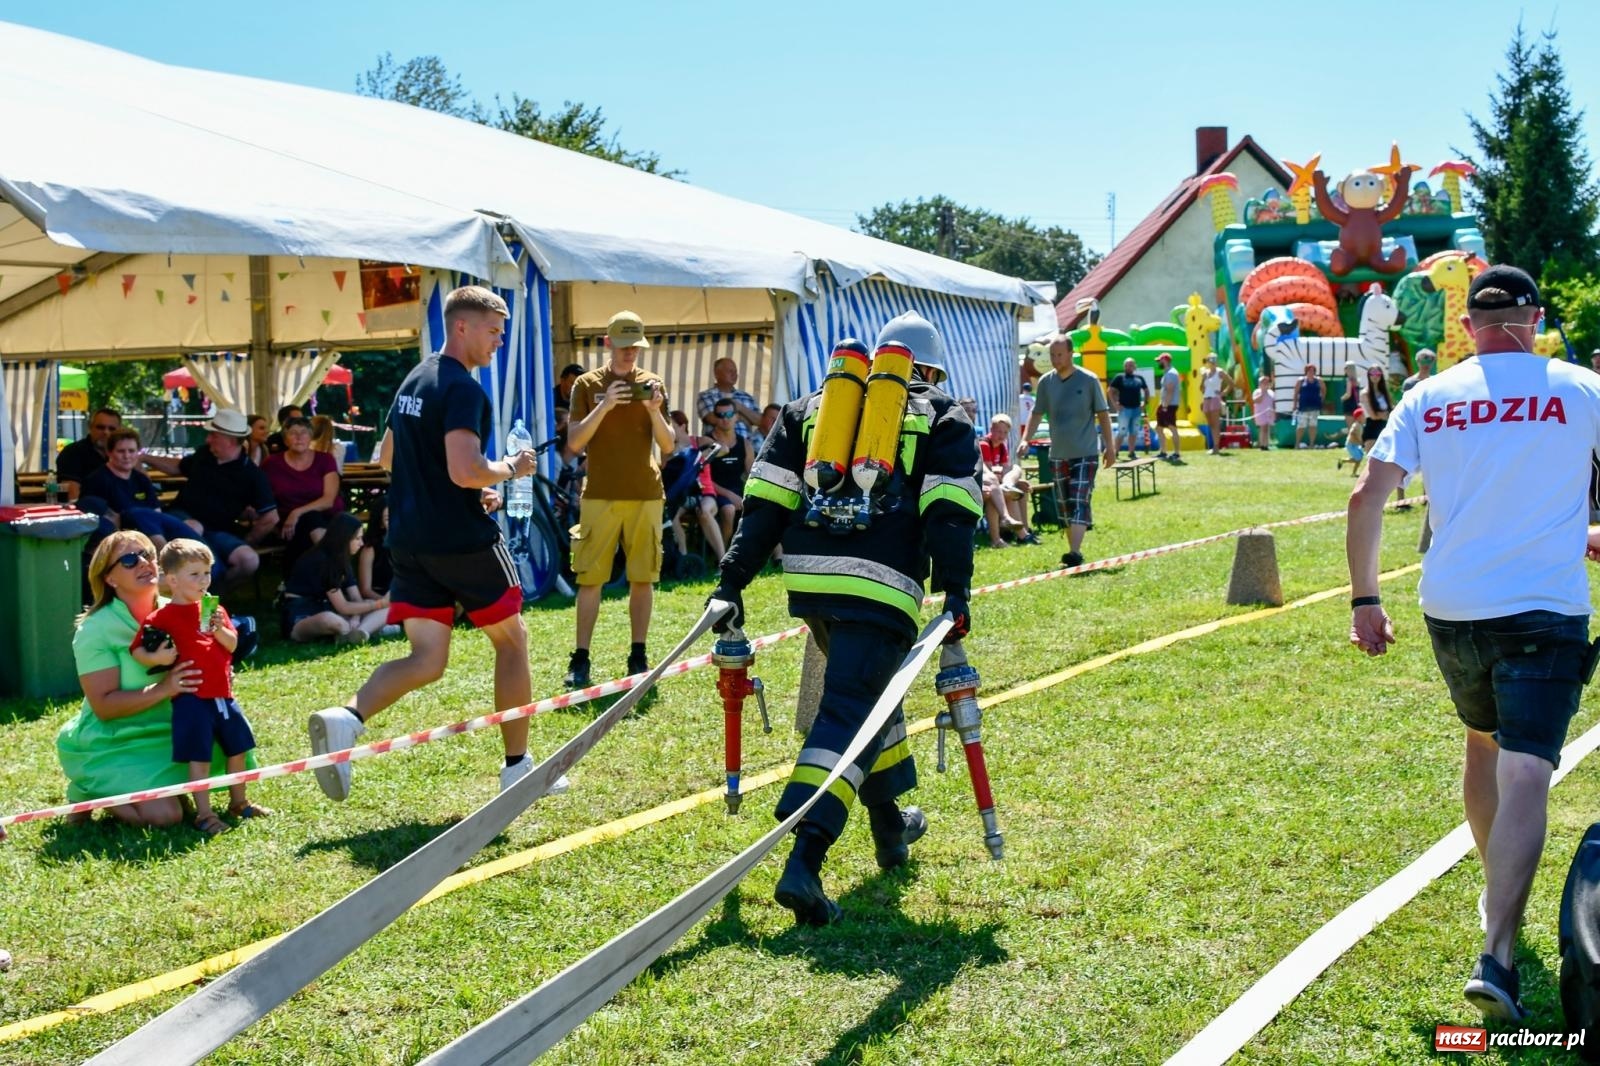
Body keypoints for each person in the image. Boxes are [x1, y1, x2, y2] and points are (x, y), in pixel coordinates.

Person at [1348, 264, 1600, 1022]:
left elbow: (1367, 492)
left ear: (1467, 326)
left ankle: (1499, 907)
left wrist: (1365, 597)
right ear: (1538, 317)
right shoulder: (1582, 387)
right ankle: (1498, 947)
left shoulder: (1432, 394)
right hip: (1544, 607)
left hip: (1453, 608)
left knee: (1483, 748)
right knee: (1526, 771)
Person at [708, 311, 979, 926]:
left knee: (866, 701)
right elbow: (952, 508)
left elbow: (767, 499)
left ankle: (891, 832)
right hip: (882, 584)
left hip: (809, 578)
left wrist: (731, 579)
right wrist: (956, 591)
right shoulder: (943, 413)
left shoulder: (812, 408)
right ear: (929, 368)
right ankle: (804, 859)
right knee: (848, 711)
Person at [307, 285, 567, 801]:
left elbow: (388, 457)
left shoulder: (414, 378)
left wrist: (464, 487)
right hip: (462, 542)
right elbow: (465, 469)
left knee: (427, 658)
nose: (499, 342)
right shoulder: (464, 389)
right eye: (494, 331)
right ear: (463, 327)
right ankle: (518, 768)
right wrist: (510, 469)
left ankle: (347, 716)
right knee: (512, 642)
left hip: (409, 540)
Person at [58, 531, 207, 829]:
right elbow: (104, 706)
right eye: (129, 560)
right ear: (110, 579)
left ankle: (155, 788)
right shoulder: (96, 629)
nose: (143, 563)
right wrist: (165, 688)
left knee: (232, 746)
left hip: (173, 730)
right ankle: (90, 787)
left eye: (148, 555)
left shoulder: (182, 608)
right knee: (166, 817)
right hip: (116, 740)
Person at [562, 310, 675, 688]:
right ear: (608, 343)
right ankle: (580, 658)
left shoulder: (653, 384)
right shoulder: (586, 384)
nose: (630, 354)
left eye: (636, 347)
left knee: (643, 578)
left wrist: (654, 411)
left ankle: (638, 655)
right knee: (590, 580)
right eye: (624, 346)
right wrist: (605, 404)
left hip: (645, 494)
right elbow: (575, 441)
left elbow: (668, 444)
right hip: (599, 495)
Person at [130, 539, 269, 836]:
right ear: (172, 580)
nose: (203, 580)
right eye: (195, 574)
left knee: (239, 748)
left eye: (207, 573)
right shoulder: (162, 617)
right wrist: (158, 657)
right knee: (200, 757)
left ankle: (239, 802)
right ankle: (204, 814)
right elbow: (138, 651)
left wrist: (220, 629)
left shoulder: (212, 608)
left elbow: (231, 646)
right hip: (191, 699)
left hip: (223, 695)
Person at [141, 410, 277, 592]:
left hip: (218, 530)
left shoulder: (252, 474)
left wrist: (248, 540)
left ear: (229, 439)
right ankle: (189, 591)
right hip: (182, 517)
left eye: (213, 435)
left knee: (249, 560)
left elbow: (271, 517)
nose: (208, 439)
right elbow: (178, 467)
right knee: (193, 527)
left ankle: (211, 594)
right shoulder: (205, 455)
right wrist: (144, 458)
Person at [1023, 334, 1114, 568]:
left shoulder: (1089, 380)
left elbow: (1103, 415)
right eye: (1052, 355)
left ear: (1071, 354)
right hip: (1058, 454)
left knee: (1079, 499)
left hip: (1086, 452)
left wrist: (1110, 447)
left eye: (1059, 354)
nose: (1055, 359)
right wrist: (1026, 440)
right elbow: (1036, 414)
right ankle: (1073, 549)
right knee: (1064, 506)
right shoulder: (1045, 382)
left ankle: (1075, 552)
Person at [282, 512, 391, 644]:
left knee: (384, 608)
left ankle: (360, 632)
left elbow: (356, 598)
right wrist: (379, 603)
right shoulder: (322, 560)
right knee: (331, 620)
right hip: (302, 616)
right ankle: (365, 629)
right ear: (344, 538)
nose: (361, 543)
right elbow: (343, 607)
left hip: (329, 609)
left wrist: (356, 617)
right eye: (357, 538)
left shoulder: (342, 559)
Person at [82, 428, 196, 549]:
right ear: (109, 452)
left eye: (131, 451)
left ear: (138, 453)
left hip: (152, 534)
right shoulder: (96, 480)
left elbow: (156, 514)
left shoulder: (142, 479)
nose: (127, 456)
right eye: (121, 451)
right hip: (121, 541)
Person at [261, 415, 343, 563]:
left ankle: (295, 579)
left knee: (309, 520)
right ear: (285, 440)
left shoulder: (325, 460)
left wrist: (297, 512)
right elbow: (262, 495)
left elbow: (328, 500)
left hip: (324, 517)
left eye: (304, 432)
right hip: (286, 522)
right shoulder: (271, 464)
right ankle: (338, 575)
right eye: (293, 433)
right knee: (307, 525)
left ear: (311, 437)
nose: (299, 437)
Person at [979, 413, 1036, 547]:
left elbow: (1005, 470)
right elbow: (987, 472)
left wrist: (1012, 479)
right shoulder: (984, 444)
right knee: (1006, 494)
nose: (1002, 435)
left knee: (1017, 478)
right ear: (991, 429)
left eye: (1005, 432)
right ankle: (1012, 537)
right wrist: (1001, 474)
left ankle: (1024, 530)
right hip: (985, 485)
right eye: (998, 431)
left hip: (998, 483)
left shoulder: (1001, 446)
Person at [705, 399, 751, 544]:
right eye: (720, 415)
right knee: (728, 509)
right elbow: (703, 478)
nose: (725, 419)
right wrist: (729, 495)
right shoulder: (707, 442)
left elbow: (752, 474)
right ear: (714, 418)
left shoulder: (745, 443)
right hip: (714, 492)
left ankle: (777, 556)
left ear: (736, 416)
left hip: (738, 491)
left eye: (729, 414)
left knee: (767, 506)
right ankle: (724, 552)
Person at [1360, 364, 1407, 507]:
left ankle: (1401, 500)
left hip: (1386, 429)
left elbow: (1391, 411)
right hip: (1372, 431)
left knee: (1397, 463)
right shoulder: (1365, 393)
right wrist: (1385, 415)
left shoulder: (1384, 393)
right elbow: (1373, 416)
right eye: (1372, 374)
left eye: (1378, 374)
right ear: (1368, 376)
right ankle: (1374, 502)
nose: (1375, 376)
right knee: (1373, 470)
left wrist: (1385, 415)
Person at [59, 407, 121, 501]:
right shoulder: (72, 452)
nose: (106, 432)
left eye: (111, 429)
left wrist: (142, 458)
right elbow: (73, 495)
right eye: (100, 427)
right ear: (90, 427)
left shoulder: (123, 453)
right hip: (90, 509)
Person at [695, 356, 760, 436]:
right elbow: (712, 418)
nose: (734, 374)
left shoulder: (747, 397)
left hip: (745, 446)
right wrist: (744, 418)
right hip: (718, 445)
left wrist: (740, 407)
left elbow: (760, 421)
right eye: (730, 371)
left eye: (735, 371)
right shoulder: (706, 396)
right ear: (716, 374)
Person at [1108, 358, 1151, 460]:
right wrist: (1115, 404)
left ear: (1135, 366)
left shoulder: (1139, 378)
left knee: (1134, 432)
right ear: (1124, 367)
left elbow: (1146, 390)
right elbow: (1110, 391)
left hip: (1136, 409)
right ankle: (1115, 452)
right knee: (1122, 432)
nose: (1128, 367)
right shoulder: (1119, 377)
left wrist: (1145, 403)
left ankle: (1131, 452)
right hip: (1124, 410)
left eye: (1131, 365)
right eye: (1126, 365)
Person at [357, 494, 393, 600]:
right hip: (380, 600)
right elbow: (365, 590)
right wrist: (387, 603)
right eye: (388, 519)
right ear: (381, 523)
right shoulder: (370, 549)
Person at [1154, 352, 1183, 462]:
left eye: (1160, 361)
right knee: (1159, 427)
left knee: (1172, 428)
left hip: (1169, 405)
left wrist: (1165, 405)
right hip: (1165, 404)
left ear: (1165, 361)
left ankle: (1176, 453)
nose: (1159, 363)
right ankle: (1163, 451)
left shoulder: (1171, 373)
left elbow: (1170, 390)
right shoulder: (1167, 372)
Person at [1199, 354, 1230, 455]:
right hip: (1206, 399)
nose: (1212, 362)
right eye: (1210, 360)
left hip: (1215, 398)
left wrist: (1223, 393)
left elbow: (1231, 383)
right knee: (1211, 424)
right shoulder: (1206, 373)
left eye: (1213, 360)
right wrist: (1203, 379)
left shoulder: (1219, 372)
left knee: (1215, 424)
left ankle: (1216, 447)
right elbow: (1201, 389)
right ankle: (1214, 446)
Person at [1293, 364, 1324, 449]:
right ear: (1306, 371)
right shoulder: (1301, 380)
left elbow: (1324, 390)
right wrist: (1294, 405)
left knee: (1313, 425)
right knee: (1301, 426)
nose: (1311, 372)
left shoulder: (1319, 380)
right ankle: (1297, 444)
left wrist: (1321, 400)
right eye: (1309, 370)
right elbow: (1296, 393)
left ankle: (1311, 444)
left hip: (1315, 407)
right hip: (1303, 407)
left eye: (1313, 370)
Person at [1251, 372, 1276, 450]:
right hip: (1260, 413)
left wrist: (1274, 412)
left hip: (1269, 413)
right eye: (1263, 382)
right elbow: (1256, 401)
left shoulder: (1271, 392)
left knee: (1267, 429)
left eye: (1267, 382)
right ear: (1260, 383)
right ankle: (1262, 445)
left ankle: (1266, 444)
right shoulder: (1256, 392)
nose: (1265, 384)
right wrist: (1263, 392)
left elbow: (1273, 403)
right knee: (1263, 428)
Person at [1342, 408, 1366, 476]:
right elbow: (1352, 432)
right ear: (1359, 417)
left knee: (1359, 458)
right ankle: (1353, 473)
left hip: (1355, 445)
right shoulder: (1356, 425)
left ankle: (1353, 472)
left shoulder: (1361, 425)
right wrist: (1360, 441)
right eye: (1363, 415)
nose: (1365, 417)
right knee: (1358, 459)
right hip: (1351, 445)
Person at [1339, 364, 1362, 433]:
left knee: (1350, 427)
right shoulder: (1357, 380)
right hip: (1356, 405)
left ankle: (1351, 443)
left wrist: (1342, 398)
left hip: (1349, 405)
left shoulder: (1349, 380)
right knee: (1356, 427)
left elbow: (1348, 394)